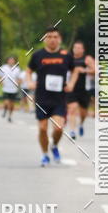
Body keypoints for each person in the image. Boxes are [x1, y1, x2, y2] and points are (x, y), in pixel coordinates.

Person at [27, 28, 75, 166]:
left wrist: (71, 83)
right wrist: (29, 81)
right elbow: (29, 71)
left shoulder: (66, 55)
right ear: (45, 39)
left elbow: (75, 70)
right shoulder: (37, 55)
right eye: (49, 37)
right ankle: (44, 154)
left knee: (59, 128)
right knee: (42, 128)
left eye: (55, 37)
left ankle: (54, 145)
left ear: (59, 39)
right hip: (42, 98)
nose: (52, 39)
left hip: (59, 99)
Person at [66, 40, 95, 139]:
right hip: (72, 88)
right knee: (72, 108)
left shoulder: (87, 59)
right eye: (75, 48)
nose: (76, 50)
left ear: (83, 50)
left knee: (83, 113)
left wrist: (85, 70)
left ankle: (81, 124)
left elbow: (96, 71)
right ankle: (72, 131)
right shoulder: (69, 59)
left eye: (79, 48)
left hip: (84, 89)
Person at [0, 56, 20, 122]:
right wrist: (1, 83)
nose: (11, 61)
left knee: (12, 105)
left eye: (12, 60)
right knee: (6, 103)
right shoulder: (3, 67)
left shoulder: (17, 69)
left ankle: (10, 116)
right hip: (6, 89)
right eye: (10, 60)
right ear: (7, 61)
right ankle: (5, 109)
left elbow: (19, 79)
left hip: (13, 89)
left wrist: (18, 83)